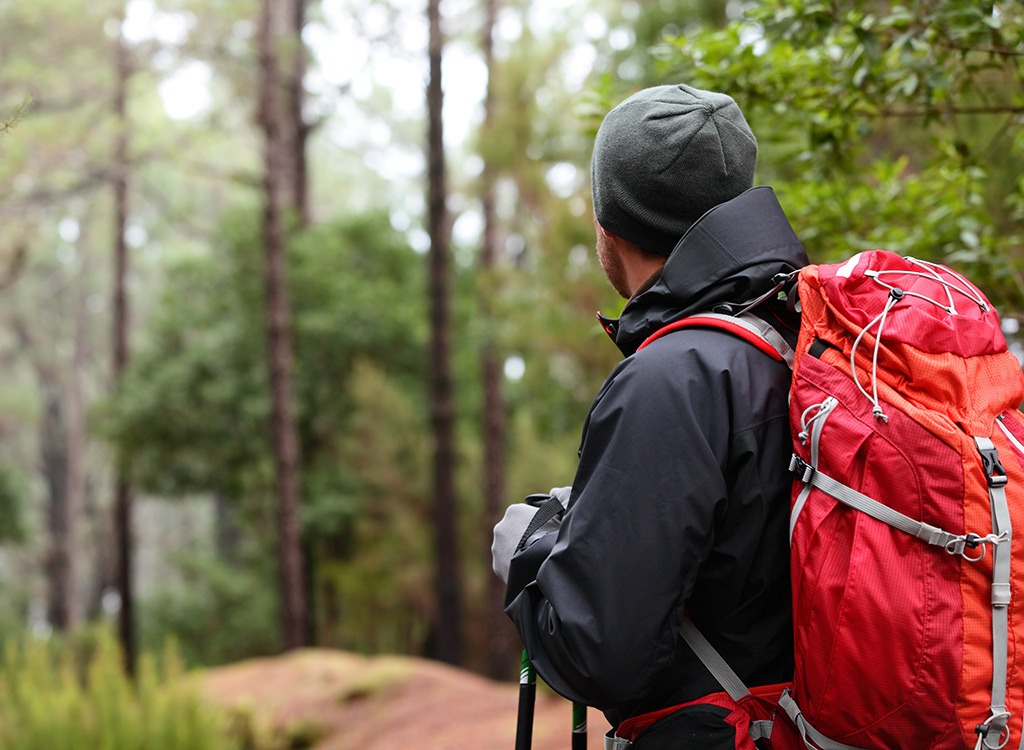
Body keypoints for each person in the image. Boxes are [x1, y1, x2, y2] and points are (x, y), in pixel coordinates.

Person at [491, 83, 809, 748]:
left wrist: (527, 551)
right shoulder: (807, 337)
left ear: (612, 222)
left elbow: (600, 656)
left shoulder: (673, 379)